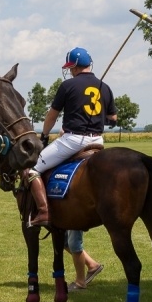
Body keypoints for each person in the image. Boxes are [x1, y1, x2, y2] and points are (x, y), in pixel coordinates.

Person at [26, 47, 118, 226]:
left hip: (74, 140)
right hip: (98, 140)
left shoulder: (67, 85)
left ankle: (44, 212)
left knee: (32, 169)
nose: (70, 71)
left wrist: (44, 136)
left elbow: (52, 116)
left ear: (75, 67)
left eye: (70, 68)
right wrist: (96, 119)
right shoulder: (104, 87)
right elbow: (113, 120)